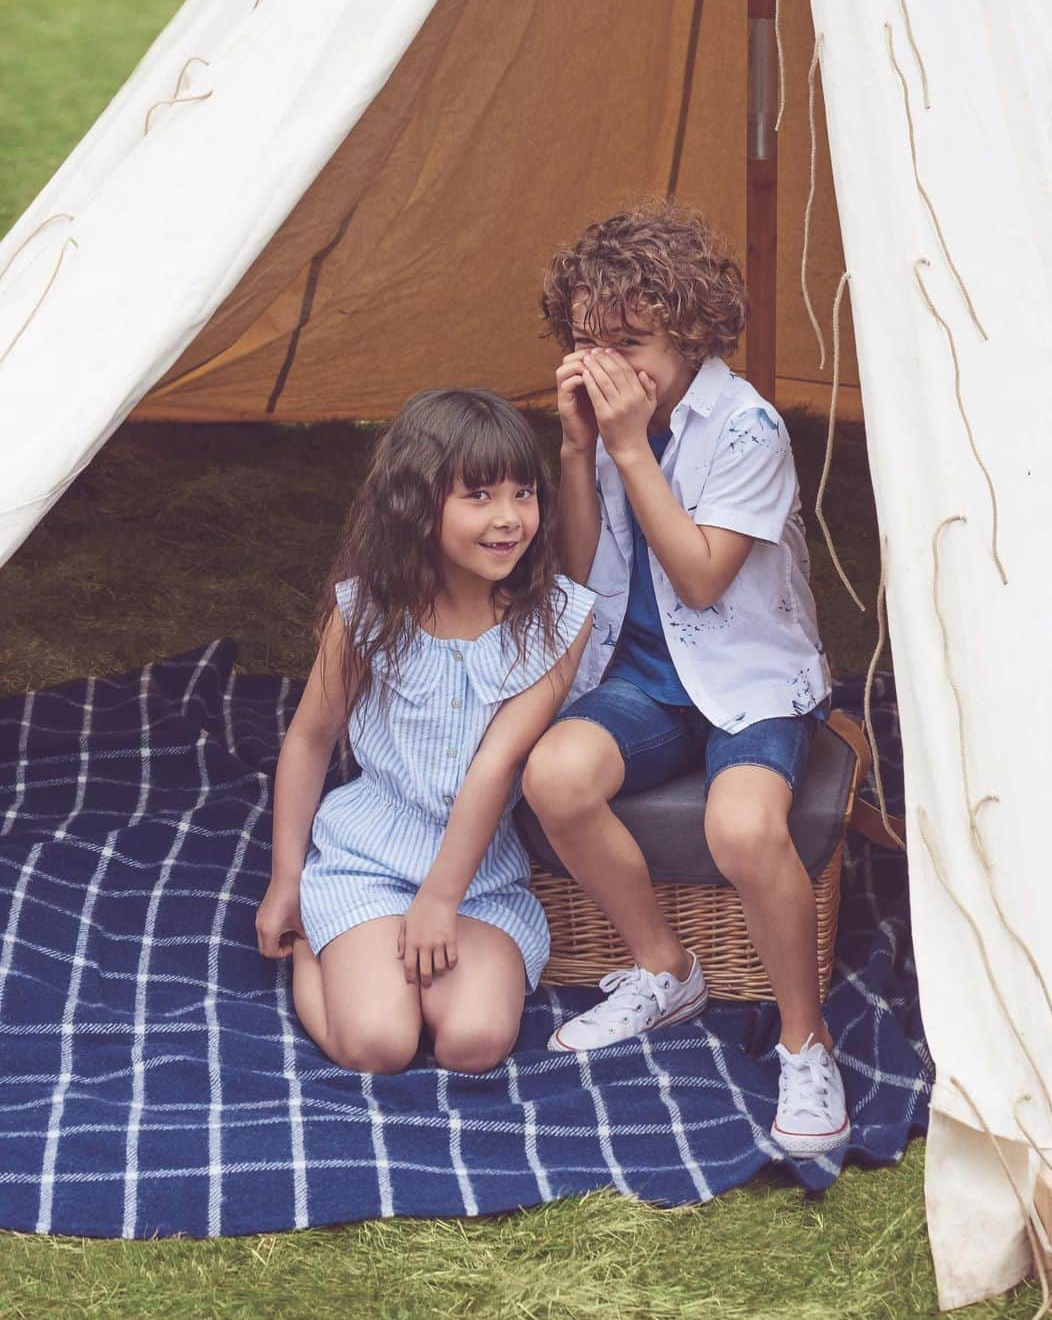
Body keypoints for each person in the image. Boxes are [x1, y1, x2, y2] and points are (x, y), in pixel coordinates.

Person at [522, 201, 849, 1157]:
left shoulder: (745, 428)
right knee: (554, 776)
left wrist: (626, 446)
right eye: (587, 342)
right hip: (654, 678)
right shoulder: (616, 428)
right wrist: (581, 454)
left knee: (742, 824)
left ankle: (805, 1040)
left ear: (692, 330)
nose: (607, 366)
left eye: (629, 342)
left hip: (748, 676)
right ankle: (666, 968)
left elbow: (704, 575)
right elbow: (585, 574)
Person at [256, 388, 593, 1075]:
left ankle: (395, 956)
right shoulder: (370, 611)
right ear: (417, 505)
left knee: (474, 1043)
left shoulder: (556, 621)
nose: (508, 519)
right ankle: (314, 946)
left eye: (523, 493)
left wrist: (441, 899)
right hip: (369, 861)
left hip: (478, 880)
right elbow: (310, 737)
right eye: (480, 496)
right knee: (381, 1044)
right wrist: (285, 877)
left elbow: (495, 765)